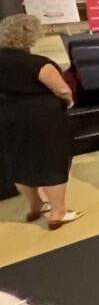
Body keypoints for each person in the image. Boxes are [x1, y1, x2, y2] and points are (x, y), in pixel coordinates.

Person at [0, 14, 79, 230]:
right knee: (51, 160)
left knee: (19, 159)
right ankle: (58, 212)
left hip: (8, 115)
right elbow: (62, 89)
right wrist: (68, 100)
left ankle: (34, 205)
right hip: (42, 117)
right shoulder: (37, 64)